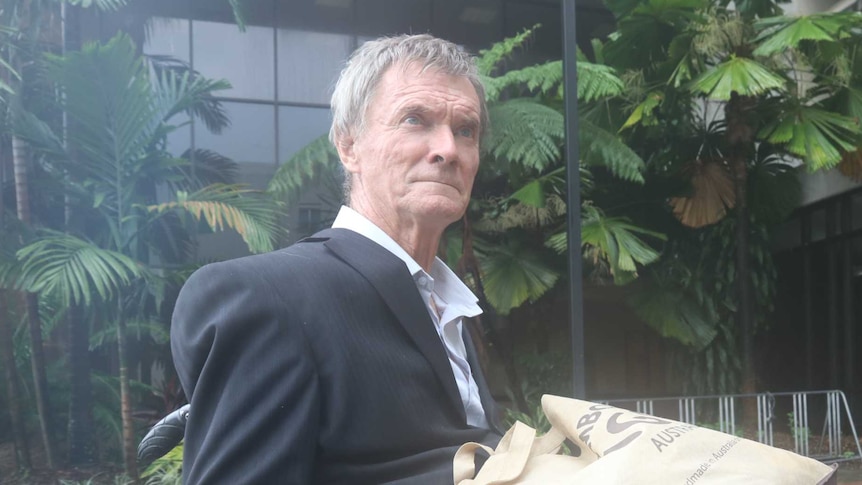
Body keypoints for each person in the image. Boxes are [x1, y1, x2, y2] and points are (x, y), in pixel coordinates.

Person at [171, 34, 503, 484]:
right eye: (414, 120)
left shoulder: (449, 308)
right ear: (349, 147)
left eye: (466, 130)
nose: (448, 149)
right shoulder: (270, 299)